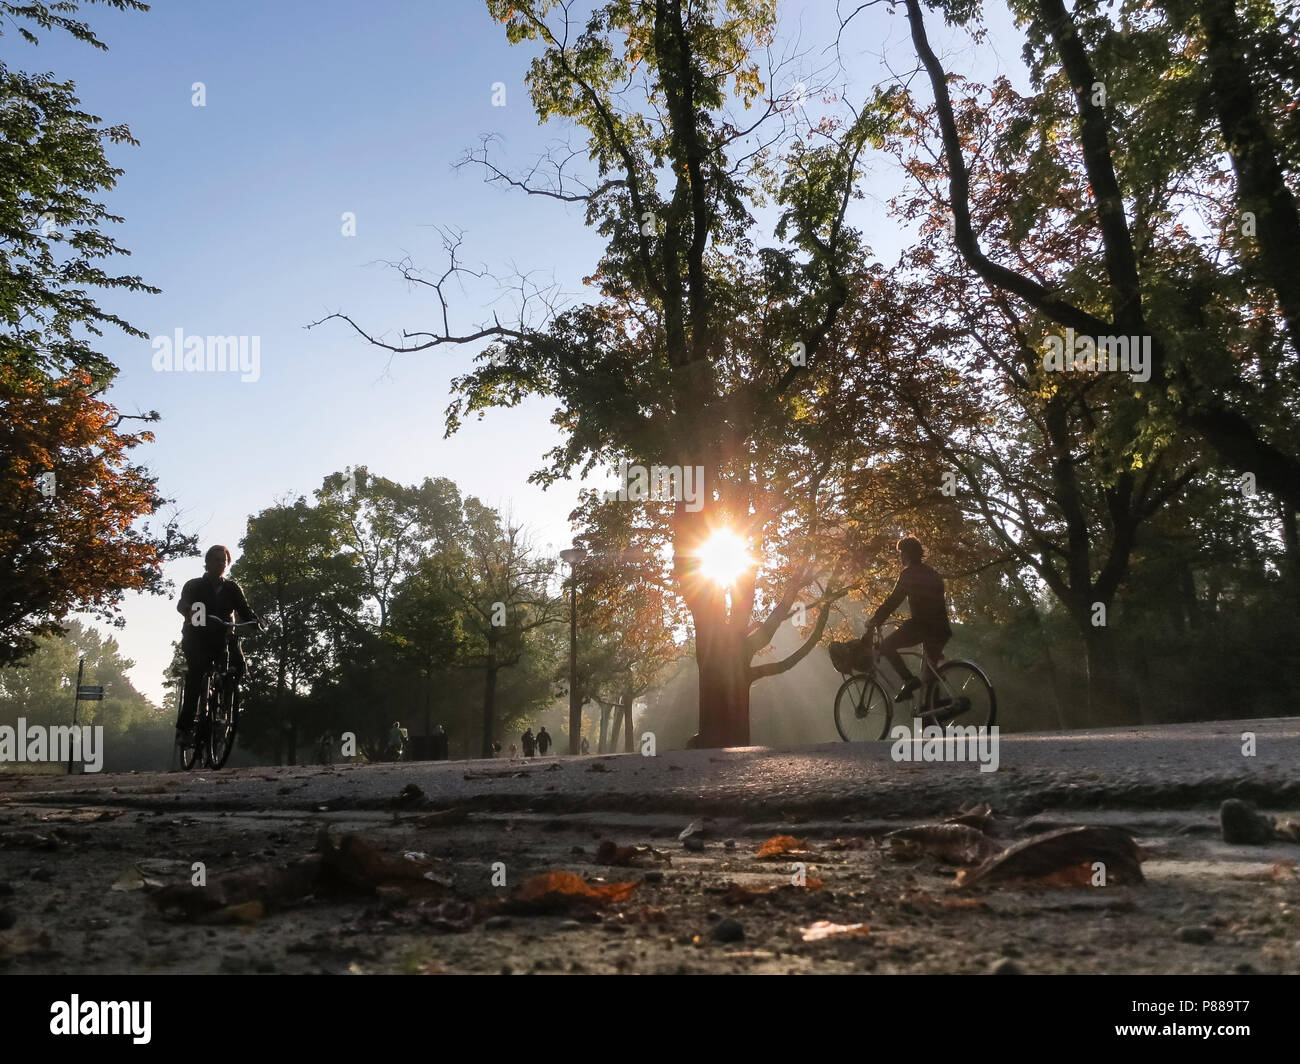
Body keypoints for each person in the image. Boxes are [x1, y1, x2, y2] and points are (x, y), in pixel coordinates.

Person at [175, 545, 258, 738]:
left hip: (224, 635)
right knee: (197, 673)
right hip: (197, 637)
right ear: (208, 562)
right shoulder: (194, 585)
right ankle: (185, 727)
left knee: (238, 666)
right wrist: (189, 611)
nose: (221, 563)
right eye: (216, 559)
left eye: (224, 560)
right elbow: (183, 603)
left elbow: (244, 610)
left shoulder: (232, 588)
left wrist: (255, 621)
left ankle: (224, 710)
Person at [863, 537, 953, 702]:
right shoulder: (933, 573)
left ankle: (909, 680)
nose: (900, 557)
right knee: (930, 674)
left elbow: (893, 601)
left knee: (886, 646)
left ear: (908, 554)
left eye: (901, 553)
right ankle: (936, 708)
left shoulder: (909, 574)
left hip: (922, 626)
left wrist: (875, 620)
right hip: (941, 629)